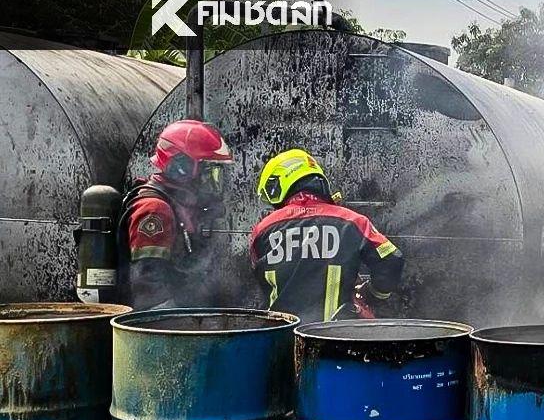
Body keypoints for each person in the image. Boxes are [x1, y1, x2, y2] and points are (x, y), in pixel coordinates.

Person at [249, 149, 404, 323]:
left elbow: (260, 279)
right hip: (339, 338)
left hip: (280, 338)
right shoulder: (353, 221)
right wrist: (372, 293)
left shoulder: (262, 230)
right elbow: (392, 259)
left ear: (278, 184)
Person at [118, 119, 233, 310]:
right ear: (182, 167)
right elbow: (149, 289)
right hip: (155, 329)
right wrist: (180, 330)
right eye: (209, 173)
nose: (213, 183)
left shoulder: (181, 206)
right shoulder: (155, 210)